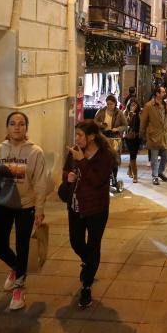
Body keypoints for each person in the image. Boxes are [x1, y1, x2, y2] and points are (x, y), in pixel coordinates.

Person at [0, 111, 49, 310]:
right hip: (3, 204)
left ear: (26, 128)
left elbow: (41, 182)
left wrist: (40, 209)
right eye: (13, 123)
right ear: (7, 127)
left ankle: (19, 287)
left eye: (21, 124)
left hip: (26, 206)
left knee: (23, 245)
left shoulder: (35, 152)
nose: (17, 127)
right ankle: (17, 268)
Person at [63, 120, 117, 308]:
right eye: (75, 134)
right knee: (75, 242)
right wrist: (67, 177)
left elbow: (97, 180)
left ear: (92, 136)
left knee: (93, 245)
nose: (76, 138)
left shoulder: (105, 155)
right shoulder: (74, 152)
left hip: (96, 209)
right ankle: (89, 263)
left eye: (79, 135)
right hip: (75, 207)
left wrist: (82, 161)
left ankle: (86, 285)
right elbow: (65, 172)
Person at [139, 86, 167, 186]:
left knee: (166, 154)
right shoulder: (149, 106)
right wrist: (142, 134)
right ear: (157, 94)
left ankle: (160, 172)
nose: (165, 93)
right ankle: (155, 176)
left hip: (165, 134)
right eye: (163, 92)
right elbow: (143, 121)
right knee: (154, 158)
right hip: (153, 135)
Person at [94, 95, 127, 190]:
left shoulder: (119, 113)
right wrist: (101, 125)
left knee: (114, 157)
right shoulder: (101, 111)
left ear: (115, 104)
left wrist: (117, 129)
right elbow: (95, 121)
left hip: (114, 137)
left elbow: (125, 125)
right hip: (103, 136)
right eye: (108, 104)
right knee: (102, 157)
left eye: (111, 104)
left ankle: (114, 177)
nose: (109, 106)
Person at [123, 99, 142, 182]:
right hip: (129, 137)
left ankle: (129, 169)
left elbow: (142, 124)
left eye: (135, 105)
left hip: (137, 137)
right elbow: (125, 125)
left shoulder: (140, 113)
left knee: (134, 155)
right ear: (128, 105)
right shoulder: (125, 112)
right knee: (133, 155)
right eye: (131, 105)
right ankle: (135, 175)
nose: (133, 106)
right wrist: (130, 115)